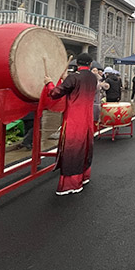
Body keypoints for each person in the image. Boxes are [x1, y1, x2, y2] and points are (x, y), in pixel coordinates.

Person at [43, 52, 96, 195]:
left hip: (74, 119)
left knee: (73, 149)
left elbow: (55, 93)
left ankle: (71, 184)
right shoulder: (92, 78)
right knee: (85, 147)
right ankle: (84, 176)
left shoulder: (74, 77)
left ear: (77, 64)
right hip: (87, 119)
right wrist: (66, 78)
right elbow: (76, 86)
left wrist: (49, 83)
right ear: (90, 64)